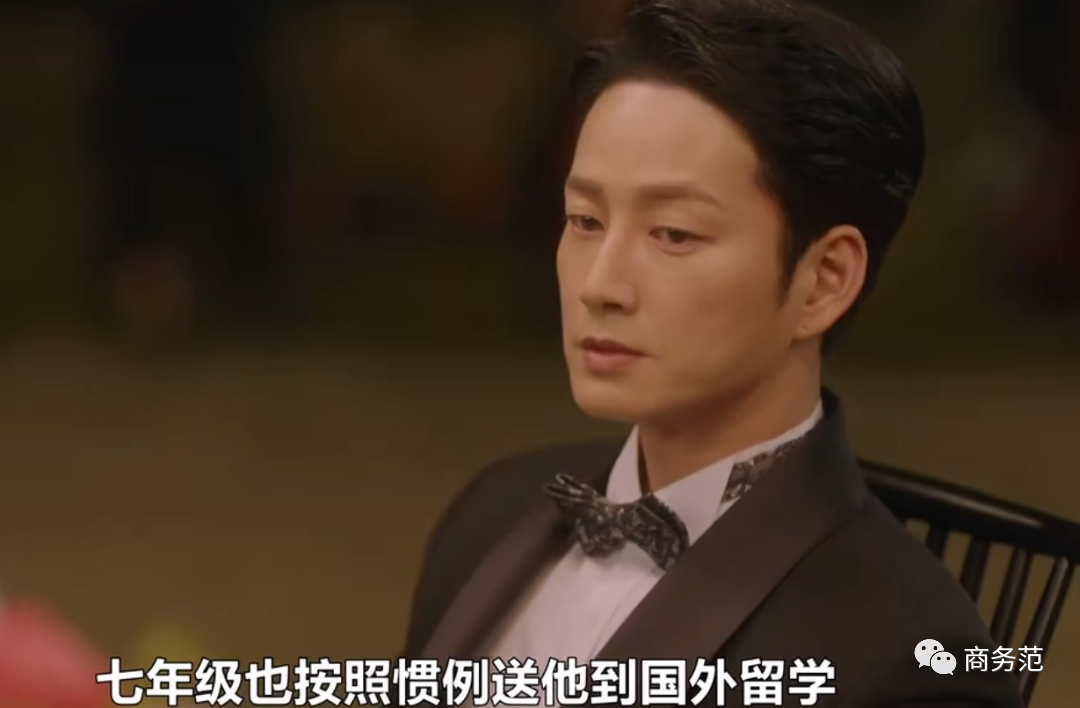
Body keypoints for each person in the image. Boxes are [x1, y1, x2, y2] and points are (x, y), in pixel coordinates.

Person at [403, 1, 1023, 705]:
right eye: (585, 219)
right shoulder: (494, 509)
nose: (600, 285)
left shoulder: (911, 654)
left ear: (824, 279)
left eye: (673, 233)